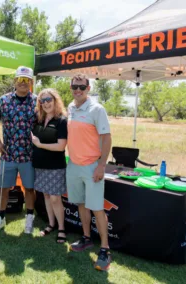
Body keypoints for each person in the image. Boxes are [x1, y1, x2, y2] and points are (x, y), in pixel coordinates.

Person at [66, 74, 112, 271]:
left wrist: (102, 165)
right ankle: (86, 238)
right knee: (81, 204)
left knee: (97, 208)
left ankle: (105, 249)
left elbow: (107, 138)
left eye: (81, 87)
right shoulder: (70, 107)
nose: (77, 90)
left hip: (92, 166)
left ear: (88, 87)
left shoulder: (97, 109)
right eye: (74, 87)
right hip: (73, 165)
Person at [0, 66, 37, 236]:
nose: (23, 83)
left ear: (31, 83)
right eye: (20, 80)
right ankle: (0, 220)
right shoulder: (3, 101)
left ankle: (29, 218)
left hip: (29, 155)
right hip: (7, 154)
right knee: (3, 188)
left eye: (27, 80)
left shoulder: (38, 102)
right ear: (15, 81)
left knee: (29, 188)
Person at [31, 88, 68, 244]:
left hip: (55, 166)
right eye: (42, 101)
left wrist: (40, 145)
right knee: (46, 195)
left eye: (48, 100)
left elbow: (61, 146)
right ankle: (51, 224)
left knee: (55, 198)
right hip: (39, 165)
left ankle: (61, 229)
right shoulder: (38, 119)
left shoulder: (61, 120)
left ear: (55, 101)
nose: (46, 104)